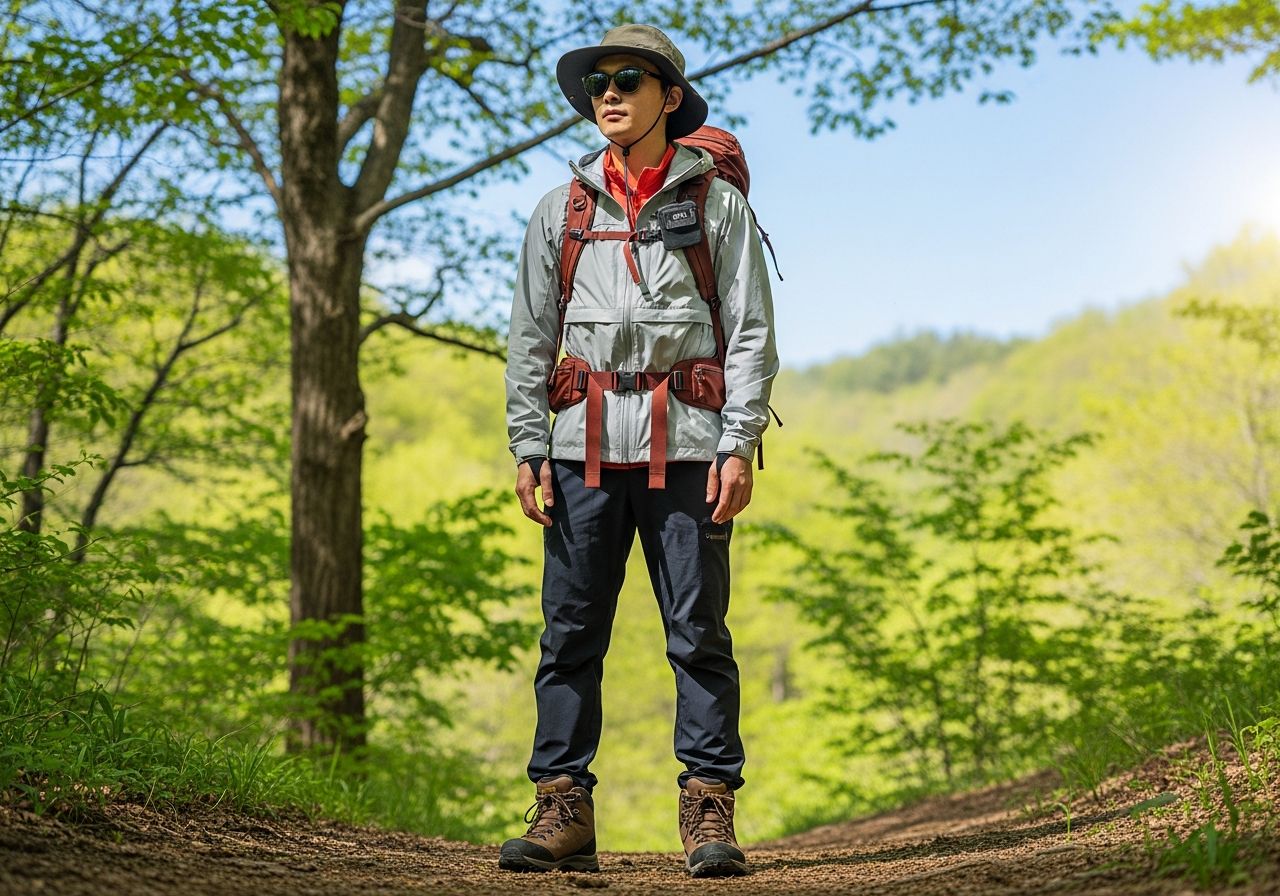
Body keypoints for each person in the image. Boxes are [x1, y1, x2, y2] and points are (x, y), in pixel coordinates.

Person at [500, 22, 779, 878]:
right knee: (570, 634)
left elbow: (752, 333)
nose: (608, 95)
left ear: (669, 97)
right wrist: (527, 444)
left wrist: (739, 442)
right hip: (581, 448)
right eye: (597, 85)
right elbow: (529, 337)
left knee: (698, 633)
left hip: (691, 449)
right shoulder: (561, 209)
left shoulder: (715, 206)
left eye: (628, 79)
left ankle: (707, 809)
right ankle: (562, 806)